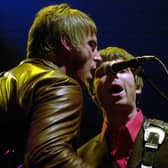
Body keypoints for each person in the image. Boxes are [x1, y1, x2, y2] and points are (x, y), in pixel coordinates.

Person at [0, 3, 102, 167]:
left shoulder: (9, 79)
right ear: (67, 42)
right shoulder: (57, 83)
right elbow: (50, 156)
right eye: (91, 45)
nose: (98, 57)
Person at [78, 46, 168, 168]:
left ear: (137, 86)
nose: (112, 75)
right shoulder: (81, 156)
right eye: (103, 72)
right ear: (93, 92)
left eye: (121, 70)